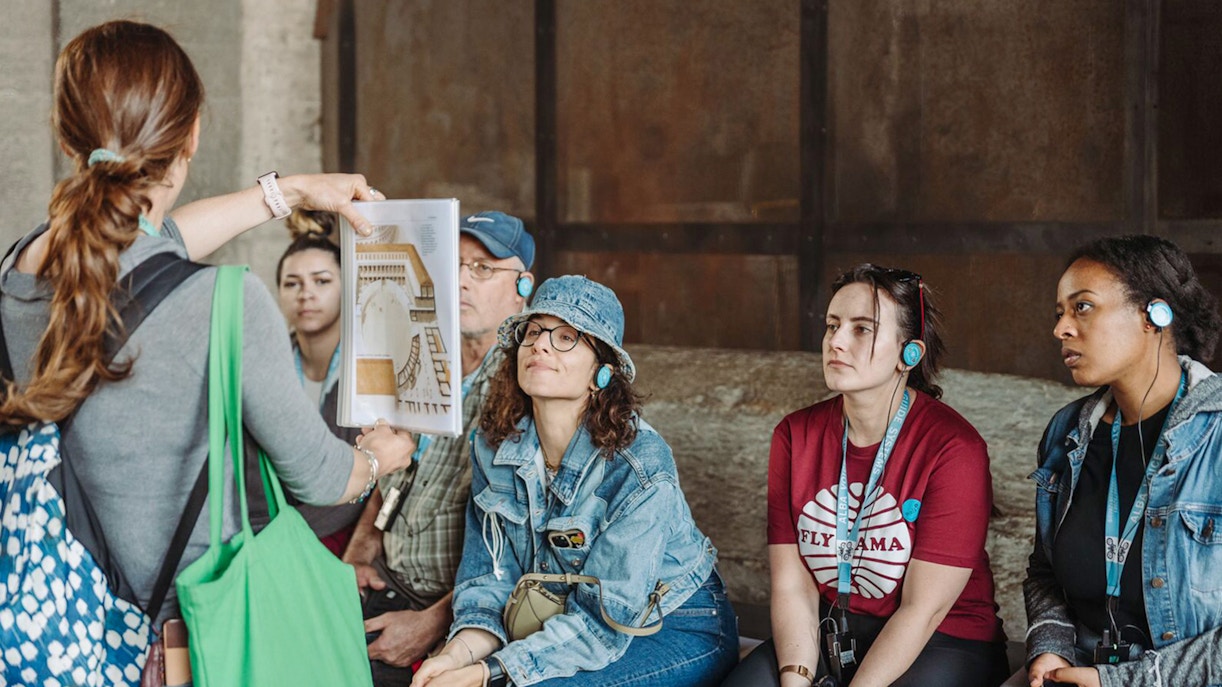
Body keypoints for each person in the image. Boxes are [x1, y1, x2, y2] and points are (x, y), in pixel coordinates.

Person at [0, 19, 417, 638]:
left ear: (68, 137)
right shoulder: (226, 302)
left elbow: (152, 246)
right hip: (189, 636)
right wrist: (377, 460)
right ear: (191, 135)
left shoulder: (21, 268)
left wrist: (294, 190)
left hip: (65, 622)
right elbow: (324, 478)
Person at [411, 275, 738, 687]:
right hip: (563, 625)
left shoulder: (638, 465)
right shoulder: (492, 447)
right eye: (533, 332)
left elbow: (604, 625)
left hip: (674, 623)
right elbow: (489, 581)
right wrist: (456, 654)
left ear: (601, 372)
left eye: (566, 337)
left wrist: (486, 674)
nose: (541, 345)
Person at [725, 264, 1008, 687]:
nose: (835, 341)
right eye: (832, 325)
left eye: (862, 329)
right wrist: (795, 679)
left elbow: (922, 610)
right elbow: (792, 587)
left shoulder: (955, 448)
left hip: (942, 638)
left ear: (908, 353)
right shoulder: (794, 434)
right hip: (834, 631)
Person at [1018, 235, 1222, 687]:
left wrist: (1118, 681)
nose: (1061, 329)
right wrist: (1051, 646)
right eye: (1059, 314)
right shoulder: (1066, 432)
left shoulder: (1218, 434)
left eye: (1082, 307)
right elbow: (1044, 572)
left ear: (1155, 315)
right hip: (1080, 670)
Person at [342, 211, 536, 684]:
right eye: (455, 265)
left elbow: (526, 547)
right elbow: (394, 470)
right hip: (388, 580)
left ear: (524, 286)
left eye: (483, 268)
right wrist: (359, 554)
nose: (462, 281)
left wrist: (430, 623)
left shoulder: (530, 378)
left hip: (457, 612)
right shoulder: (427, 354)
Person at [276, 210, 364, 556]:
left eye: (322, 281)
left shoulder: (367, 370)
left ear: (347, 288)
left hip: (340, 533)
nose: (306, 294)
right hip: (269, 527)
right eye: (292, 283)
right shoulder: (268, 364)